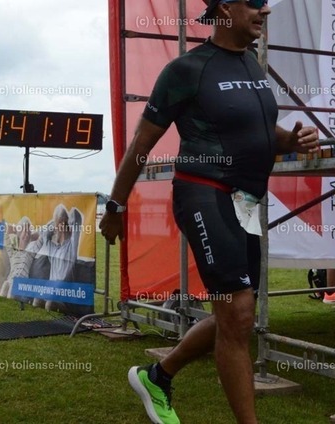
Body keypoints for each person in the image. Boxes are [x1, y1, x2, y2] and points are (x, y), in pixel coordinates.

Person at [99, 1, 319, 423]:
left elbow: (257, 130)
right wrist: (115, 206)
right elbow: (141, 144)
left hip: (245, 202)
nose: (265, 10)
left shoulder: (252, 64)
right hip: (204, 194)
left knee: (236, 314)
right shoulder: (187, 70)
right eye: (254, 2)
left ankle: (157, 376)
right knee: (237, 311)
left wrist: (290, 141)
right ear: (226, 8)